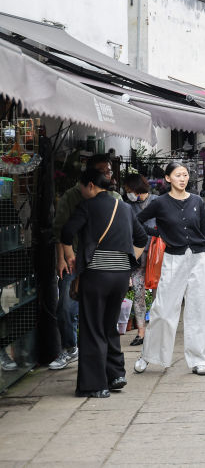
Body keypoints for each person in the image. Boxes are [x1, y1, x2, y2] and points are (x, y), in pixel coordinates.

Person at [59, 167, 148, 397]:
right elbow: (141, 238)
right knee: (109, 325)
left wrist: (69, 255)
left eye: (82, 188)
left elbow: (66, 231)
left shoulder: (87, 206)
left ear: (90, 185)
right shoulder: (125, 208)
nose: (81, 192)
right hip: (120, 277)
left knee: (91, 328)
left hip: (96, 274)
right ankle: (116, 374)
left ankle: (96, 385)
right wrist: (127, 261)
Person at [134, 162, 205, 376]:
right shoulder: (159, 203)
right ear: (168, 178)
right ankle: (148, 355)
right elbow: (136, 221)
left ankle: (199, 360)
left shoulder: (198, 201)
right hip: (173, 258)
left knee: (198, 310)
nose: (183, 178)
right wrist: (158, 234)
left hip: (199, 259)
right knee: (163, 310)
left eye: (185, 175)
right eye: (178, 175)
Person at [51, 154, 121, 370]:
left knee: (102, 311)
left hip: (103, 260)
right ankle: (71, 348)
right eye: (104, 171)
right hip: (75, 260)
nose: (108, 175)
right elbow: (61, 230)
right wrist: (61, 258)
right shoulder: (73, 196)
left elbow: (126, 232)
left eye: (109, 171)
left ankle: (102, 355)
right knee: (66, 306)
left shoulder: (115, 197)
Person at [122, 174, 155, 347]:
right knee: (138, 292)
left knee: (158, 292)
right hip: (137, 254)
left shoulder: (157, 201)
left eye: (129, 190)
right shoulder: (128, 206)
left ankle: (157, 331)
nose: (128, 193)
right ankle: (141, 332)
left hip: (156, 254)